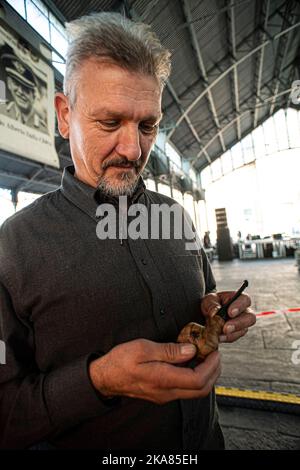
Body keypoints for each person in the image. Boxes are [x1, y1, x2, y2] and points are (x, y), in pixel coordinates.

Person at [0, 12, 256, 450]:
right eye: (110, 122)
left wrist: (218, 312)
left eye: (147, 125)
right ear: (65, 115)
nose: (134, 149)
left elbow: (206, 298)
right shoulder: (13, 250)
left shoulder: (176, 217)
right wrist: (98, 380)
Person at [0, 48, 48, 133]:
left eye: (26, 88)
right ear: (9, 83)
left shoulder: (43, 130)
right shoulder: (2, 110)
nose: (20, 91)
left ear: (34, 94)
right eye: (16, 83)